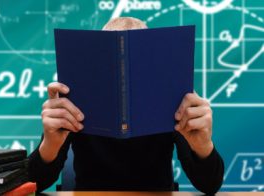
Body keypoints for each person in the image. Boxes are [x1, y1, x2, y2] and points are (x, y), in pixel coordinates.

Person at [28, 17, 224, 194]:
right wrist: (50, 145)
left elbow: (209, 185)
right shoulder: (73, 97)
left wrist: (202, 145)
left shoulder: (171, 98)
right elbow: (34, 183)